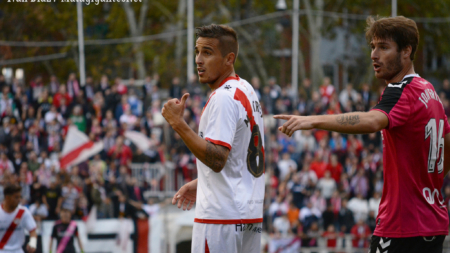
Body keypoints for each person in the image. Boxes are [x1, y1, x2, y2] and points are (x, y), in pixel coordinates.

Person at [275, 16, 449, 253]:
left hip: (401, 226)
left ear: (407, 51)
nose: (374, 55)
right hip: (432, 225)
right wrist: (427, 183)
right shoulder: (430, 92)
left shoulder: (400, 90)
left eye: (384, 47)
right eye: (372, 47)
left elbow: (371, 120)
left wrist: (312, 120)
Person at [162, 24, 265, 253]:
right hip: (248, 217)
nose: (199, 60)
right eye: (197, 52)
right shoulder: (246, 90)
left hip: (220, 221)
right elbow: (238, 161)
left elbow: (218, 159)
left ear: (229, 58)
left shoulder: (223, 98)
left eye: (207, 53)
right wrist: (203, 183)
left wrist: (177, 124)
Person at [0, 184, 37, 253]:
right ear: (7, 197)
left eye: (20, 197)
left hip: (18, 250)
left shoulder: (23, 212)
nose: (19, 200)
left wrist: (33, 243)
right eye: (16, 197)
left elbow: (33, 230)